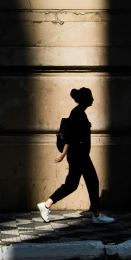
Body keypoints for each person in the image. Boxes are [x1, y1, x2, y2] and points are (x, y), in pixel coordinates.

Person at [37, 87, 115, 224]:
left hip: (80, 155)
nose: (93, 99)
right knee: (88, 182)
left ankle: (47, 204)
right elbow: (70, 137)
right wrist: (63, 154)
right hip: (78, 155)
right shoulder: (77, 114)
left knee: (75, 184)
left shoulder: (79, 113)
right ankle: (96, 215)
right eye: (91, 97)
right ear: (86, 99)